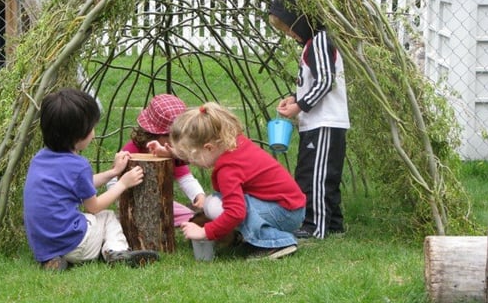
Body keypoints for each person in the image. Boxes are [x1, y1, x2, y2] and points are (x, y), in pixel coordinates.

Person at [23, 88, 160, 271]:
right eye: (91, 128)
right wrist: (122, 183)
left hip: (45, 244)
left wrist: (112, 172)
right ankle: (117, 252)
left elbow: (78, 185)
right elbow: (93, 206)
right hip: (76, 244)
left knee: (84, 219)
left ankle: (54, 261)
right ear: (78, 135)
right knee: (107, 216)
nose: (94, 133)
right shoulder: (79, 165)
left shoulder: (40, 158)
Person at [163, 102, 306, 260]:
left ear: (209, 148)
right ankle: (254, 236)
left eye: (192, 157)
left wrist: (204, 232)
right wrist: (173, 154)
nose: (191, 162)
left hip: (284, 213)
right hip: (290, 208)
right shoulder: (233, 144)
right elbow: (204, 157)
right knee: (213, 202)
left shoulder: (228, 170)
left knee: (216, 206)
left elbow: (235, 213)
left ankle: (277, 241)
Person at [269, 0, 350, 239]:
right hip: (316, 122)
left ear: (300, 21)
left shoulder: (320, 41)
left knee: (315, 175)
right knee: (315, 171)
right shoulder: (313, 43)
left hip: (324, 122)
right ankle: (333, 223)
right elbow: (315, 81)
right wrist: (295, 98)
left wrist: (300, 106)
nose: (290, 35)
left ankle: (316, 224)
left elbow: (326, 81)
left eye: (289, 28)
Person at [107, 94, 206, 226]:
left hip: (160, 203)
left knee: (187, 215)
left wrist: (199, 195)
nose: (177, 142)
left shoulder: (171, 152)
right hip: (134, 204)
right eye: (172, 137)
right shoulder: (131, 150)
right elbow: (113, 180)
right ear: (153, 133)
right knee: (127, 220)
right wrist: (123, 201)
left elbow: (185, 178)